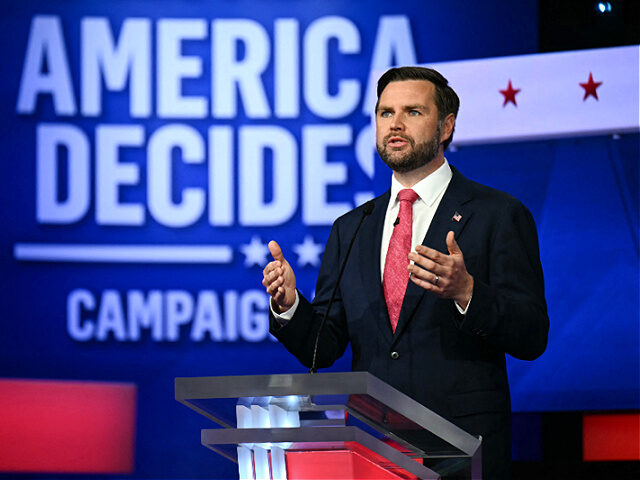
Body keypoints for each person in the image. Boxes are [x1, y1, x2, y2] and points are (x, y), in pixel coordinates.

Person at [262, 66, 549, 479]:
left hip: (464, 450)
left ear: (446, 126)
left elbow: (532, 334)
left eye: (412, 111)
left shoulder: (498, 214)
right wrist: (290, 305)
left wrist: (468, 292)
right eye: (384, 113)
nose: (394, 123)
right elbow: (323, 347)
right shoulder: (352, 226)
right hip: (373, 450)